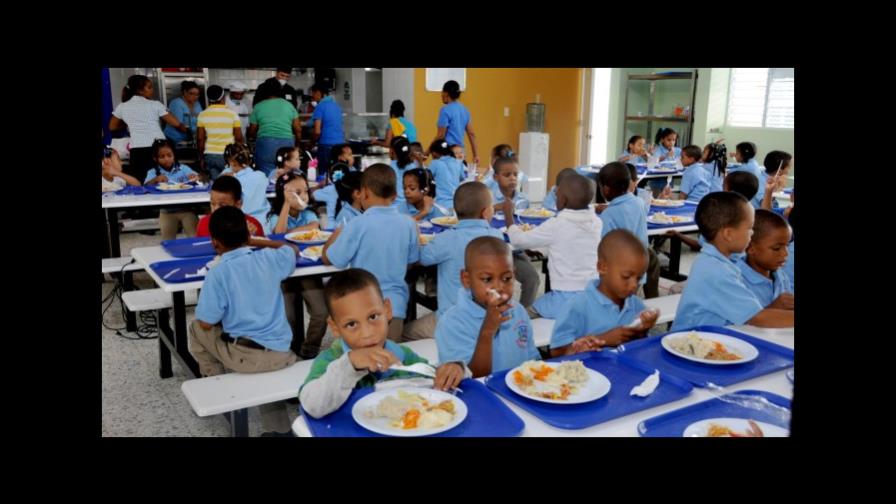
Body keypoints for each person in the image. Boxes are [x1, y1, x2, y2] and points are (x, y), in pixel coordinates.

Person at [189, 206, 301, 433]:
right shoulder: (270, 259)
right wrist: (259, 242)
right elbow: (292, 249)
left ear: (215, 242)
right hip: (283, 352)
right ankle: (279, 430)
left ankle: (216, 385)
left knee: (194, 328)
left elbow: (205, 323)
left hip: (247, 358)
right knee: (265, 366)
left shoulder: (218, 273)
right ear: (248, 237)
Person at [299, 268, 467, 419]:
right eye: (351, 324)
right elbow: (312, 405)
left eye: (373, 317)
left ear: (387, 310)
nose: (367, 333)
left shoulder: (401, 354)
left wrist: (455, 369)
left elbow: (434, 378)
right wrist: (349, 365)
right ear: (335, 327)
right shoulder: (331, 361)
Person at [322, 164, 419, 342]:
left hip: (361, 309)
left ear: (364, 192)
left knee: (363, 361)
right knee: (389, 361)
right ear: (395, 195)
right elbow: (412, 261)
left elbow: (331, 259)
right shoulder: (409, 223)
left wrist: (336, 235)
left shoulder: (357, 224)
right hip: (395, 306)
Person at [672, 192, 794, 330]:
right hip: (690, 343)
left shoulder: (720, 259)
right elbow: (758, 317)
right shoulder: (715, 271)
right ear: (728, 234)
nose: (752, 234)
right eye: (749, 229)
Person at [434, 236, 540, 377]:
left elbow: (532, 359)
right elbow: (473, 377)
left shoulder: (518, 311)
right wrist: (487, 330)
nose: (499, 287)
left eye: (507, 278)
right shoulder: (452, 323)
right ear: (466, 280)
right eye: (487, 279)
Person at [504, 173, 602, 320]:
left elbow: (518, 240)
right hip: (592, 295)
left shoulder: (557, 224)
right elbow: (569, 244)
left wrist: (508, 217)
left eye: (557, 193)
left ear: (562, 199)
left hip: (564, 299)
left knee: (519, 317)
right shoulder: (596, 222)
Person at [550, 229, 659, 356]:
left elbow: (638, 345)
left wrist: (643, 329)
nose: (634, 285)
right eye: (626, 276)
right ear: (602, 268)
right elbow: (556, 353)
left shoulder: (635, 304)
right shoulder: (578, 306)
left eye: (639, 278)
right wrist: (605, 339)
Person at [108, 75, 188, 183]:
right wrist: (186, 130)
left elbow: (112, 126)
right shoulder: (155, 104)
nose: (152, 90)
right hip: (158, 149)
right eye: (149, 87)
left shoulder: (122, 106)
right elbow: (176, 123)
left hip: (137, 151)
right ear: (140, 91)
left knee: (141, 183)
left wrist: (130, 123)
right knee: (166, 181)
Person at [247, 78, 301, 176]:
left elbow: (252, 131)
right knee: (286, 173)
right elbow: (298, 129)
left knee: (265, 175)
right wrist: (297, 145)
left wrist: (258, 137)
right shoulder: (289, 106)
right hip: (286, 143)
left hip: (265, 144)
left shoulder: (258, 106)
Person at [197, 85, 242, 180]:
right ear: (223, 97)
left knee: (216, 183)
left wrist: (201, 158)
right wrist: (239, 155)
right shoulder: (232, 114)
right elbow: (238, 138)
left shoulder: (202, 114)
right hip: (227, 155)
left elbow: (200, 139)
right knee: (229, 182)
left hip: (210, 155)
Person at [431, 80, 479, 165]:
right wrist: (476, 155)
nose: (441, 94)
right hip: (461, 153)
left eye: (442, 92)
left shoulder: (445, 110)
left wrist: (428, 151)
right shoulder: (465, 110)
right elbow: (471, 134)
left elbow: (441, 135)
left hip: (448, 152)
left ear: (446, 93)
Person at [310, 83, 345, 172]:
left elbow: (317, 131)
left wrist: (312, 143)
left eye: (313, 93)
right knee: (336, 172)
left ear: (318, 93)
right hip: (340, 144)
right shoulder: (337, 106)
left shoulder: (320, 107)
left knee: (324, 173)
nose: (312, 96)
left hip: (326, 144)